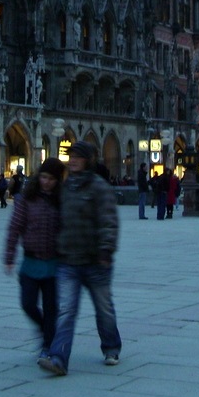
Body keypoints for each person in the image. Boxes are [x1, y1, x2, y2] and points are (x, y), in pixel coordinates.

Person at [38, 141, 122, 376]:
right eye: (70, 156)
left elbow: (109, 221)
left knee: (104, 309)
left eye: (77, 157)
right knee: (66, 311)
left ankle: (111, 347)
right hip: (68, 261)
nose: (72, 160)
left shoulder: (99, 187)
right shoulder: (64, 187)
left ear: (88, 160)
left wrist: (106, 250)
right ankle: (59, 358)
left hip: (96, 260)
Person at [3, 157, 64, 362]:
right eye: (44, 177)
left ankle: (48, 344)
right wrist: (9, 255)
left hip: (54, 264)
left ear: (57, 181)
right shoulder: (26, 199)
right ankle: (44, 330)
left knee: (51, 308)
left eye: (51, 179)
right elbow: (15, 227)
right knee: (28, 304)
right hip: (31, 262)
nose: (46, 182)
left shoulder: (61, 200)